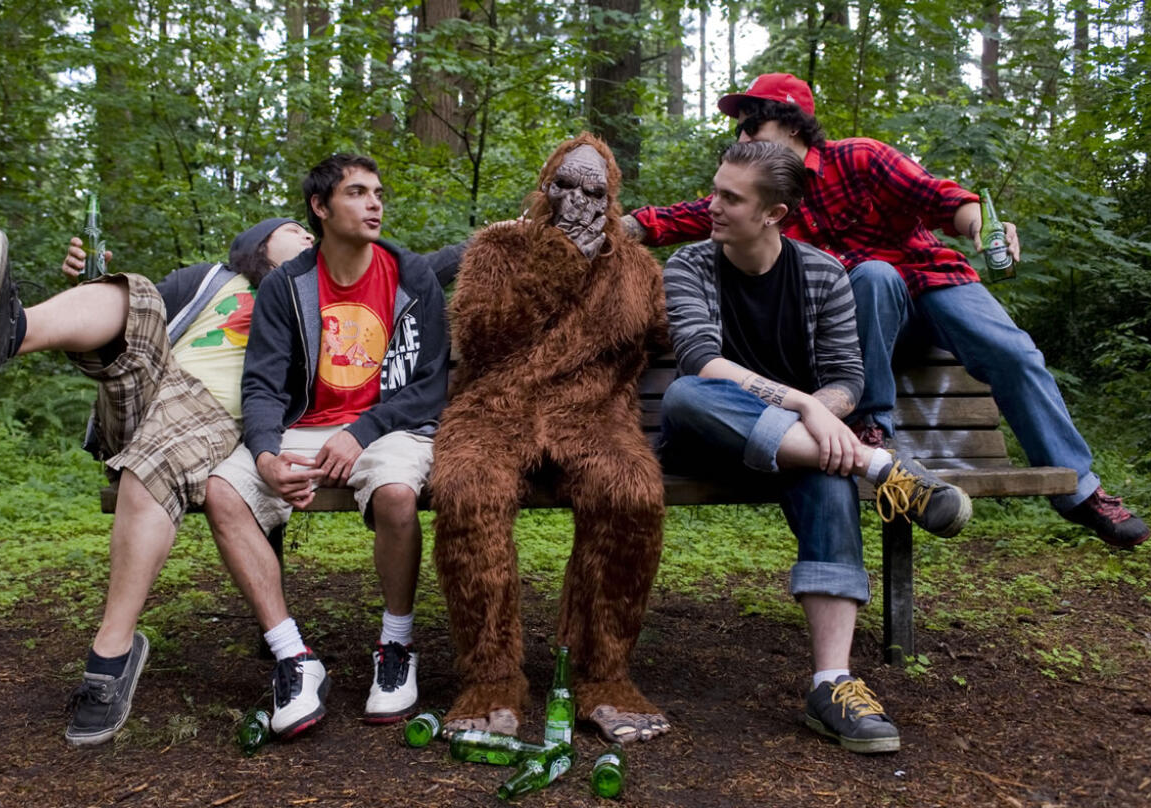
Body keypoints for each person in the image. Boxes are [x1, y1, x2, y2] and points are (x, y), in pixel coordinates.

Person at [625, 72, 1149, 549]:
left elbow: (940, 197)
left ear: (790, 124)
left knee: (1011, 351)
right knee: (873, 275)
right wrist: (609, 224)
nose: (741, 137)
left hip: (932, 281)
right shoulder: (764, 193)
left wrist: (983, 227)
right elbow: (680, 217)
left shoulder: (862, 158)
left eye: (750, 123)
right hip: (874, 303)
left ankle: (1082, 491)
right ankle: (873, 431)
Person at [0, 216, 315, 745]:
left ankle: (111, 653)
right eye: (295, 229)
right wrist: (89, 283)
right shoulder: (212, 279)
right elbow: (123, 328)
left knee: (151, 464)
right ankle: (11, 330)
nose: (307, 236)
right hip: (146, 391)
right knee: (137, 292)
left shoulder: (312, 303)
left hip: (218, 417)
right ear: (257, 245)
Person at [659, 140, 973, 753]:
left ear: (774, 213)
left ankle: (832, 684)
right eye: (715, 190)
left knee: (830, 478)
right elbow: (701, 362)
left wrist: (821, 408)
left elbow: (846, 381)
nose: (711, 206)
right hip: (714, 440)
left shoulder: (823, 272)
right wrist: (806, 406)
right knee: (684, 397)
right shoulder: (690, 265)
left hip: (800, 450)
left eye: (729, 197)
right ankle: (881, 467)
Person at [205, 154, 461, 737]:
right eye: (356, 193)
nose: (374, 203)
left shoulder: (409, 275)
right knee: (223, 491)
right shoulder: (286, 286)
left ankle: (395, 647)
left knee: (397, 494)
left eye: (377, 193)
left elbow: (429, 387)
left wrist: (360, 432)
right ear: (320, 208)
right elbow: (263, 385)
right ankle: (293, 656)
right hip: (303, 427)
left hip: (387, 426)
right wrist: (267, 453)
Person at [430, 134, 671, 745]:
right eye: (564, 186)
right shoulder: (498, 247)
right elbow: (482, 338)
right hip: (496, 406)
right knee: (465, 487)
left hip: (592, 413)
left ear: (611, 198)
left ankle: (601, 676)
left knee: (633, 493)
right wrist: (558, 260)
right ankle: (491, 677)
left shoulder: (636, 267)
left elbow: (663, 333)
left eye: (592, 191)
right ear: (544, 187)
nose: (576, 201)